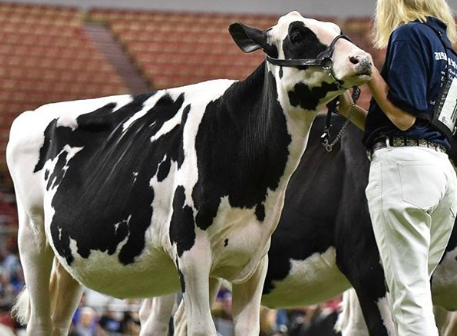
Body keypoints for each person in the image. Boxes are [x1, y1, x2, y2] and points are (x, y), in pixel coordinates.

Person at [337, 0, 457, 335]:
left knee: (409, 298)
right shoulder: (446, 49)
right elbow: (409, 122)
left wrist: (369, 70)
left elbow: (402, 120)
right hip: (440, 173)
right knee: (415, 288)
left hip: (404, 170)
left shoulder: (408, 34)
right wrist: (349, 111)